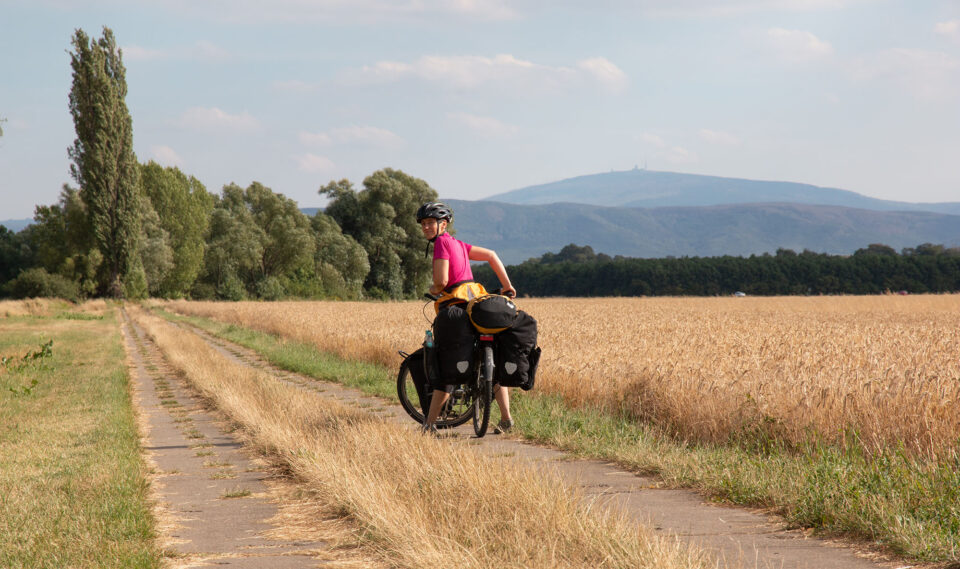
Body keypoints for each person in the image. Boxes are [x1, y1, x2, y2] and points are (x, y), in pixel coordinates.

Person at [417, 201, 516, 435]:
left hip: (456, 305)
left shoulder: (441, 243)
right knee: (491, 358)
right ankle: (506, 418)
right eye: (423, 224)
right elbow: (492, 255)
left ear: (444, 224)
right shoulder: (459, 244)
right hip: (478, 302)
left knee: (448, 364)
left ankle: (429, 425)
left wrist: (433, 289)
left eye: (431, 223)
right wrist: (507, 286)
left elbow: (441, 282)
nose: (426, 227)